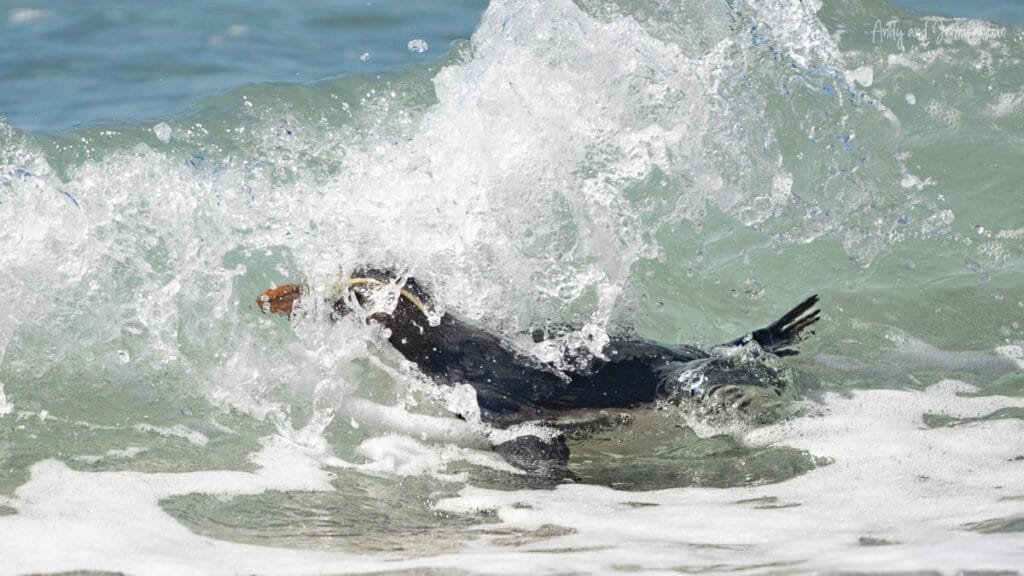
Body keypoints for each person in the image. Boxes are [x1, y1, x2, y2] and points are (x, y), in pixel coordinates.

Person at [258, 268, 819, 479]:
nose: (354, 317)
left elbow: (530, 432)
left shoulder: (461, 371)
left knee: (696, 382)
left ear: (394, 322)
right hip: (612, 354)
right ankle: (752, 349)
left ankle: (747, 358)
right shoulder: (459, 342)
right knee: (707, 363)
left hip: (645, 376)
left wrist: (541, 484)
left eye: (358, 309)